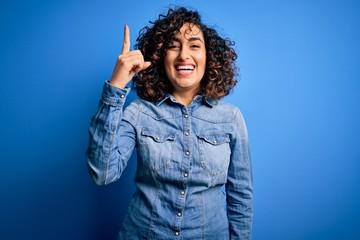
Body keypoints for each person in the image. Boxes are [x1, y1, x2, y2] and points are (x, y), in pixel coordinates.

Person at [86, 7, 253, 239]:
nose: (184, 55)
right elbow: (102, 173)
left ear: (209, 57)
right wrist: (116, 86)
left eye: (194, 45)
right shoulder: (138, 112)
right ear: (160, 56)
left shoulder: (231, 118)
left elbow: (241, 197)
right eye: (174, 46)